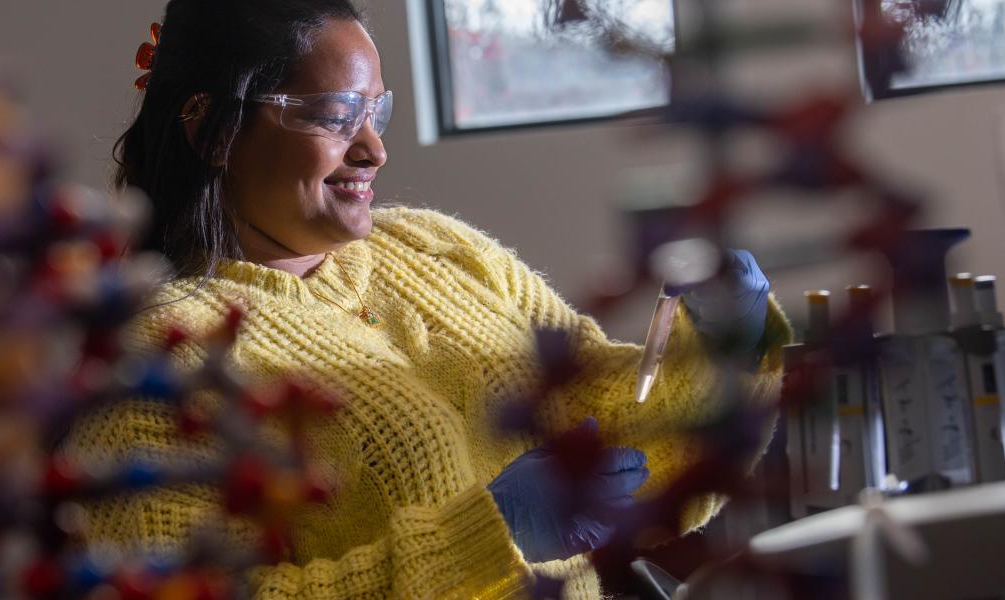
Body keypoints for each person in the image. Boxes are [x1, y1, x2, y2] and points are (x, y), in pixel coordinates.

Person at [70, 1, 790, 597]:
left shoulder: (437, 247)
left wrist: (719, 346)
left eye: (375, 111)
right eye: (335, 114)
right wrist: (488, 538)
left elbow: (631, 437)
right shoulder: (157, 364)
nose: (373, 149)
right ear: (211, 129)